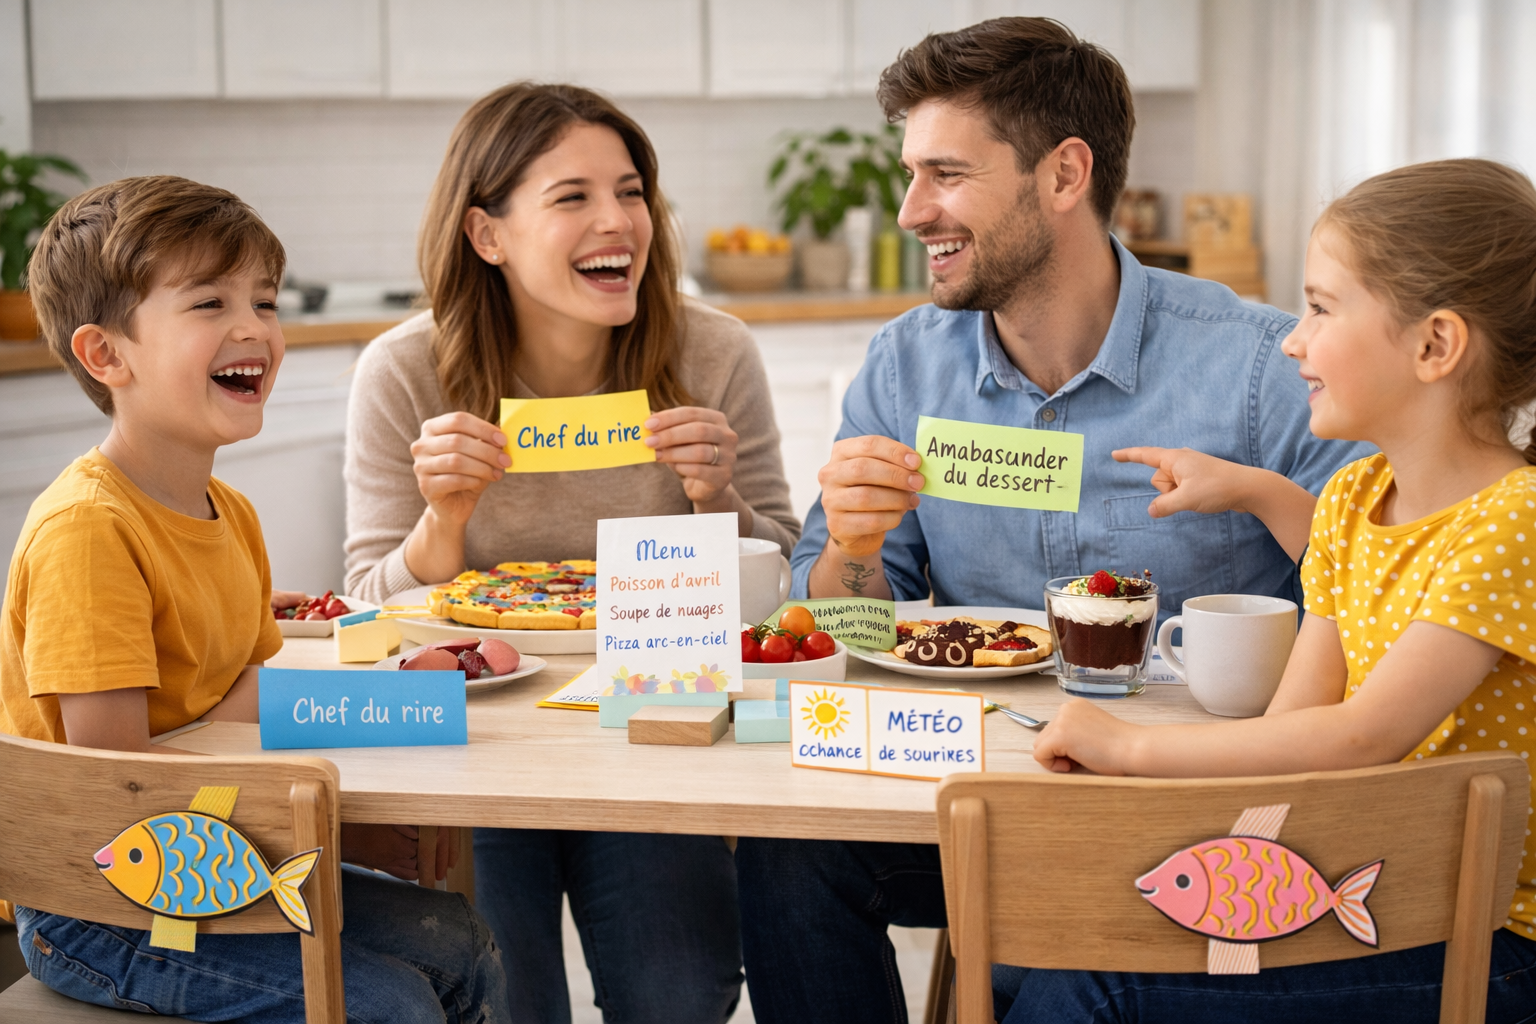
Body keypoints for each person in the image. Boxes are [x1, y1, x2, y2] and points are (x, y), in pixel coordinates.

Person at [734, 19, 1373, 1024]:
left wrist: (1261, 496)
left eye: (945, 173)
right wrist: (850, 553)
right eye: (912, 173)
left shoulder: (1264, 370)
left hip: (1203, 824)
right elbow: (848, 630)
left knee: (1051, 979)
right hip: (994, 803)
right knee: (794, 853)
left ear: (1064, 174)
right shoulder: (906, 369)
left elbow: (1384, 587)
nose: (910, 211)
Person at [1006, 158, 1536, 1022]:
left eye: (1322, 307)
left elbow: (1362, 735)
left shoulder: (1516, 521)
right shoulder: (1354, 504)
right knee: (1032, 954)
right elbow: (1292, 732)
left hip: (1488, 936)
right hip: (1361, 892)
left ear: (1435, 345)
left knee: (1087, 993)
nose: (1293, 339)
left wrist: (1132, 748)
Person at [0, 176, 509, 1023]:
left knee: (460, 939)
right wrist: (325, 835)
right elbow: (113, 791)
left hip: (205, 855)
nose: (254, 327)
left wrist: (394, 716)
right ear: (106, 355)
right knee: (388, 1005)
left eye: (264, 300)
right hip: (101, 901)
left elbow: (242, 706)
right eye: (209, 302)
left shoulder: (228, 511)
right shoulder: (88, 531)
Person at [342, 84, 797, 1023]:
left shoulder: (713, 352)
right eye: (573, 197)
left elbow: (784, 590)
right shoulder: (405, 371)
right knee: (507, 1001)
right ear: (487, 233)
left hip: (651, 727)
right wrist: (443, 522)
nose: (617, 221)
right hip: (477, 745)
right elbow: (362, 609)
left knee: (683, 989)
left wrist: (722, 498)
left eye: (631, 192)